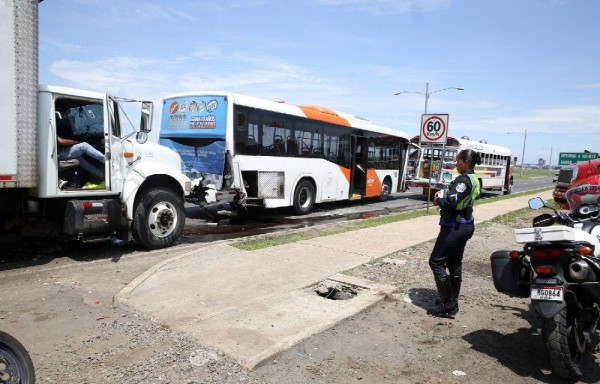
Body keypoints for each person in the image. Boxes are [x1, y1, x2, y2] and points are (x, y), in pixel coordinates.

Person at [427, 149, 481, 317]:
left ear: (465, 162)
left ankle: (448, 303)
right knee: (454, 263)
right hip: (465, 225)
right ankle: (452, 300)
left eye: (458, 161)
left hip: (454, 227)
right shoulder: (474, 178)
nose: (456, 164)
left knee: (436, 262)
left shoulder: (464, 179)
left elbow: (452, 201)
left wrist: (438, 199)